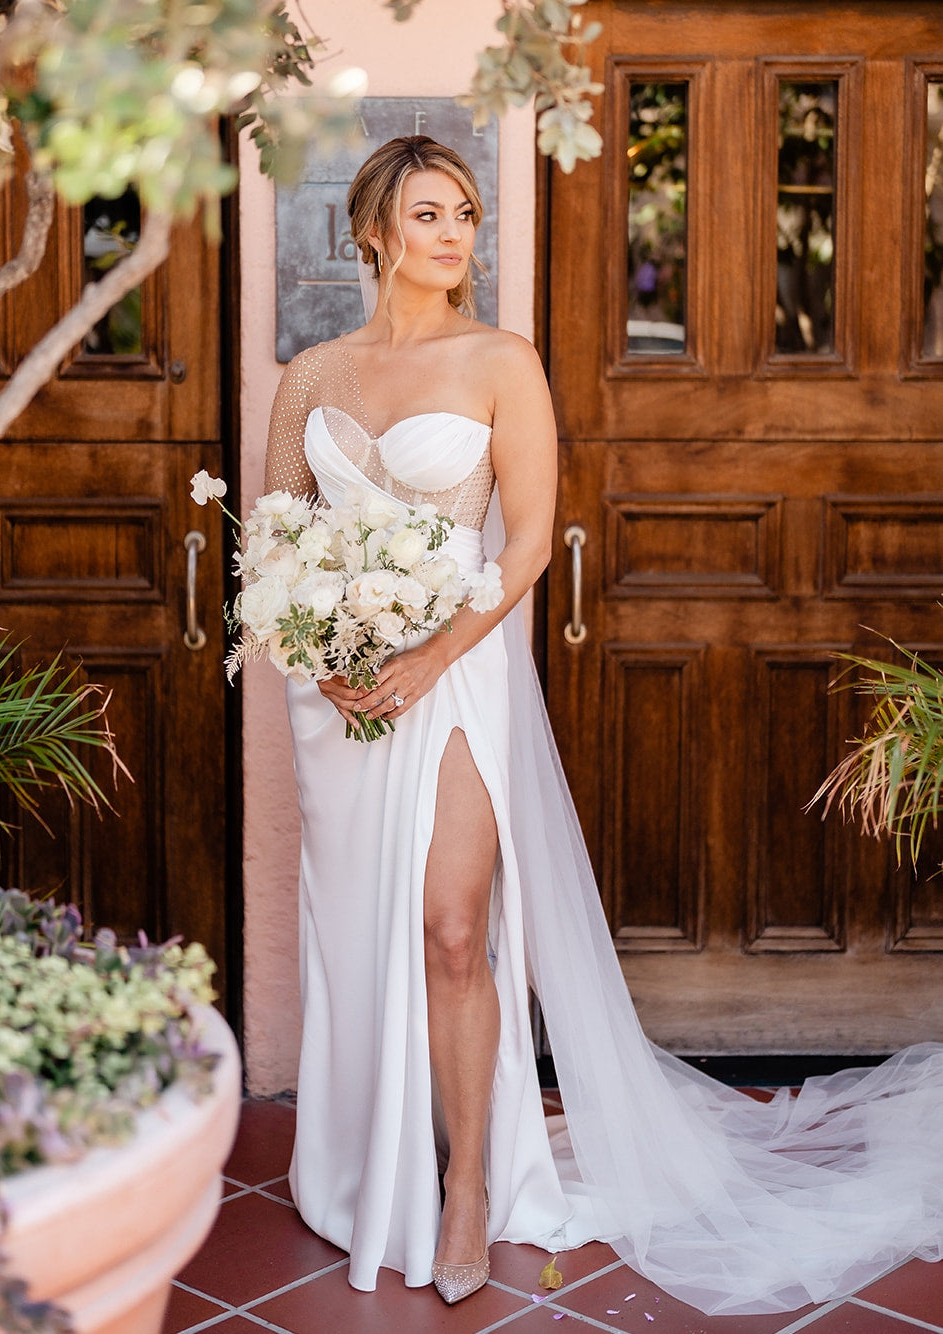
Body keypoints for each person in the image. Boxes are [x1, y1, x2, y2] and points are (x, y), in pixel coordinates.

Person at [262, 135, 943, 1316]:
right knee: (364, 931)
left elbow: (524, 544)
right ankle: (372, 1158)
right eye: (427, 214)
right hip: (339, 700)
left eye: (465, 215)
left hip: (455, 673)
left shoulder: (500, 360)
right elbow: (273, 535)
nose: (452, 235)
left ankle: (469, 1182)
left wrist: (425, 655)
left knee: (450, 925)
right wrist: (322, 660)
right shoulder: (312, 374)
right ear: (371, 229)